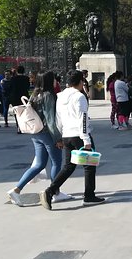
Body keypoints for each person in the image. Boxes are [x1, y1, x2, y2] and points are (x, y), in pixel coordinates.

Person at [39, 70, 105, 210]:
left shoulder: (60, 96)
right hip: (79, 135)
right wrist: (86, 139)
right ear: (81, 82)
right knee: (89, 166)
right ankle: (89, 196)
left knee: (68, 166)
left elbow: (58, 119)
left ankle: (50, 191)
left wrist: (61, 135)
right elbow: (83, 119)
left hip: (67, 134)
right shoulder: (79, 97)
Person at [7, 71, 72, 206]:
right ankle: (55, 192)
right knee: (56, 162)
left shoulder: (35, 94)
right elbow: (50, 119)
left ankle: (16, 189)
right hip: (46, 132)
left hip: (35, 132)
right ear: (49, 81)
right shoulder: (48, 95)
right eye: (54, 79)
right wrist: (58, 139)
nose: (56, 81)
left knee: (39, 164)